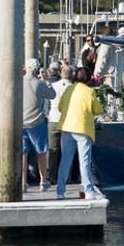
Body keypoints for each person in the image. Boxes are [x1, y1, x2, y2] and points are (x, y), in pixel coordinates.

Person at [55, 67, 105, 200]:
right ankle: (89, 191)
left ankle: (60, 191)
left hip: (67, 128)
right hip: (83, 129)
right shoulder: (89, 92)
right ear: (88, 78)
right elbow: (98, 109)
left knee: (65, 160)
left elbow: (60, 107)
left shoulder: (69, 89)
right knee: (84, 162)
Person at [22, 58, 56, 192]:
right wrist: (46, 80)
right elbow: (52, 95)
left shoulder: (19, 82)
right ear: (37, 70)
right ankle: (43, 181)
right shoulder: (40, 84)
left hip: (21, 123)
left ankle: (23, 183)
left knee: (23, 153)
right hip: (37, 122)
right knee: (41, 152)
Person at [47, 65, 73, 184]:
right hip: (68, 121)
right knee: (66, 151)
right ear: (71, 75)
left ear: (61, 74)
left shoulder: (53, 85)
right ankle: (66, 177)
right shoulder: (73, 88)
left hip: (53, 119)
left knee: (52, 150)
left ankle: (50, 176)